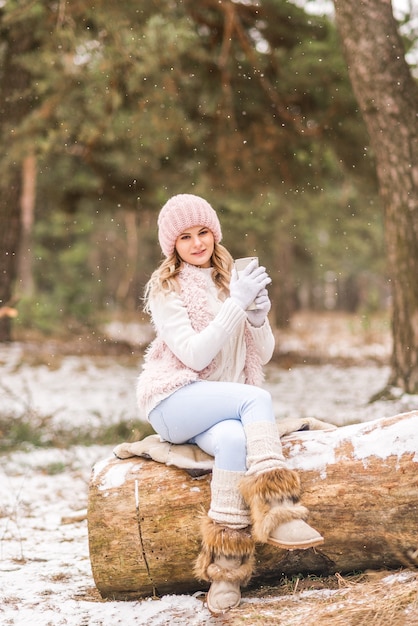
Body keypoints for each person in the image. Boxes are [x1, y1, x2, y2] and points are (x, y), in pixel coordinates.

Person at [136, 193, 324, 616]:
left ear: (215, 233)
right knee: (258, 398)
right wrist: (236, 306)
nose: (197, 243)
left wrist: (257, 316)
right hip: (173, 399)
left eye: (203, 232)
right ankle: (279, 508)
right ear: (173, 246)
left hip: (220, 406)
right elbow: (196, 356)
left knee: (235, 443)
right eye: (185, 237)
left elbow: (264, 353)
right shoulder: (166, 288)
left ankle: (225, 571)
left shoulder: (230, 280)